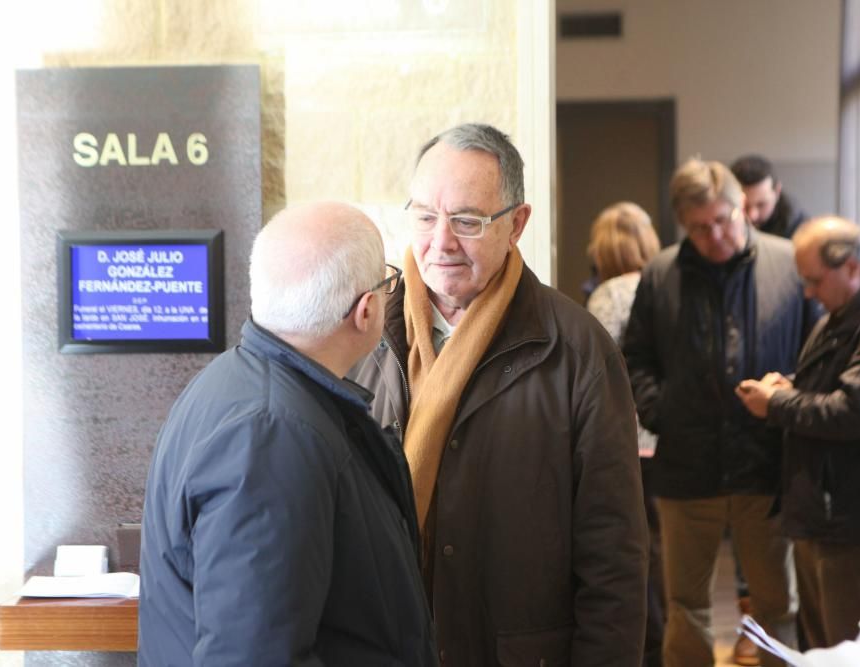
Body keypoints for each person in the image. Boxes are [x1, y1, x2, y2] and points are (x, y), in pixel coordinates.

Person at [351, 123, 648, 666]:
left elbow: (614, 556)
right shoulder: (361, 333)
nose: (440, 242)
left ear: (517, 223)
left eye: (466, 221)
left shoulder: (577, 349)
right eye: (424, 216)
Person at [138, 202, 437, 666]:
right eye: (388, 280)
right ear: (367, 309)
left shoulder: (245, 386)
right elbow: (252, 655)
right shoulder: (272, 435)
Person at [622, 158, 817, 667]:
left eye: (725, 219)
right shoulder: (661, 273)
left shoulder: (788, 263)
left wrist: (791, 392)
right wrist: (661, 410)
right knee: (685, 607)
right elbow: (635, 357)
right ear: (683, 224)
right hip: (688, 467)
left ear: (743, 209)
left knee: (777, 604)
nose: (716, 235)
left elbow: (818, 352)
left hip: (767, 464)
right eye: (700, 227)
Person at [736, 216, 860, 649]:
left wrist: (777, 403)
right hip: (825, 509)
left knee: (849, 650)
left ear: (851, 266)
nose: (808, 292)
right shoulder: (846, 312)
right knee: (821, 648)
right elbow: (837, 386)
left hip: (849, 515)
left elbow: (855, 412)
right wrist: (793, 386)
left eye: (814, 280)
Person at [585, 201, 664, 667]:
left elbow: (597, 376)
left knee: (632, 553)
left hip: (628, 441)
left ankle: (646, 649)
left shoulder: (607, 297)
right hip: (667, 439)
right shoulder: (667, 285)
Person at [731, 154, 808, 239]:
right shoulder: (717, 228)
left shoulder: (802, 232)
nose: (752, 215)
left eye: (761, 205)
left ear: (777, 192)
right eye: (744, 205)